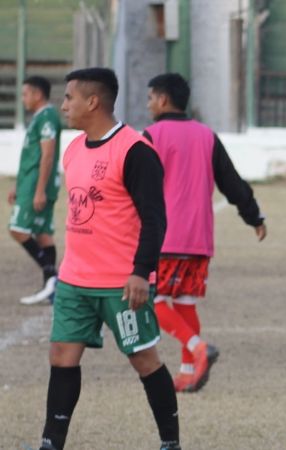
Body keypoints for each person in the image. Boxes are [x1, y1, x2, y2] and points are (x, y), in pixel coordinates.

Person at [37, 68, 179, 450]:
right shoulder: (74, 149)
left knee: (144, 360)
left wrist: (139, 273)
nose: (63, 105)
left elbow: (155, 219)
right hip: (74, 280)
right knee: (61, 355)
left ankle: (170, 443)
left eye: (69, 98)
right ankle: (51, 443)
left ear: (92, 102)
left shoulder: (135, 150)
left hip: (121, 285)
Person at [143, 72, 267, 393]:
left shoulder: (150, 136)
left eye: (150, 98)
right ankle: (188, 372)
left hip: (164, 238)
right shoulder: (206, 136)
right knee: (184, 303)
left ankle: (198, 349)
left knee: (149, 301)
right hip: (198, 240)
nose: (148, 105)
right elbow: (232, 183)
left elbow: (133, 187)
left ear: (162, 99)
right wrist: (253, 216)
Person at [8, 76, 62, 305]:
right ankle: (51, 284)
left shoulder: (47, 116)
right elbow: (31, 157)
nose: (23, 99)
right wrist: (18, 185)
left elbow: (48, 155)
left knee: (17, 229)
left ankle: (52, 276)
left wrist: (38, 190)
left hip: (37, 185)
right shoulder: (40, 118)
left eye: (25, 94)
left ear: (38, 94)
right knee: (42, 233)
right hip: (30, 183)